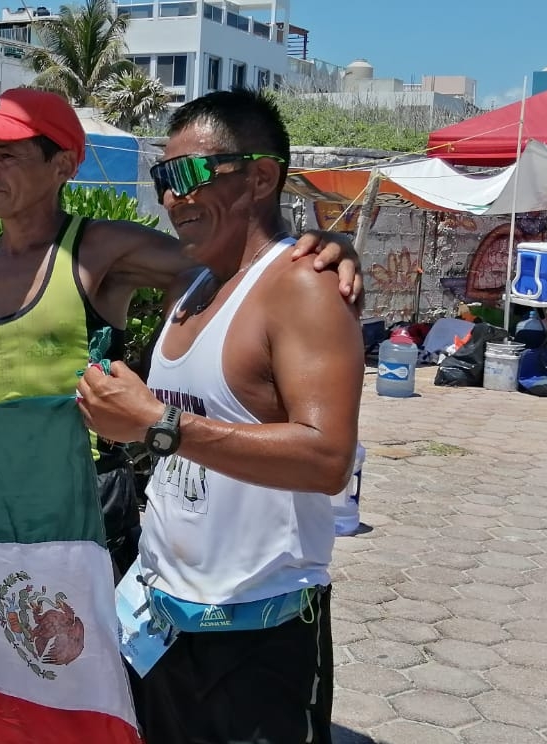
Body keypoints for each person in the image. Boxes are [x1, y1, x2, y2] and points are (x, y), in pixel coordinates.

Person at [0, 87, 363, 577]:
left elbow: (234, 265)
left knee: (97, 671)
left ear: (62, 166)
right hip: (0, 493)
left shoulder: (102, 251)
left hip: (88, 495)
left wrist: (329, 251)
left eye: (6, 156)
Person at [74, 88, 361, 744]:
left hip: (258, 631)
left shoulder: (302, 286)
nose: (170, 197)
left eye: (188, 174)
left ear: (261, 177)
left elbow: (325, 459)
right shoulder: (194, 285)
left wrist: (160, 425)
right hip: (162, 616)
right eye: (161, 178)